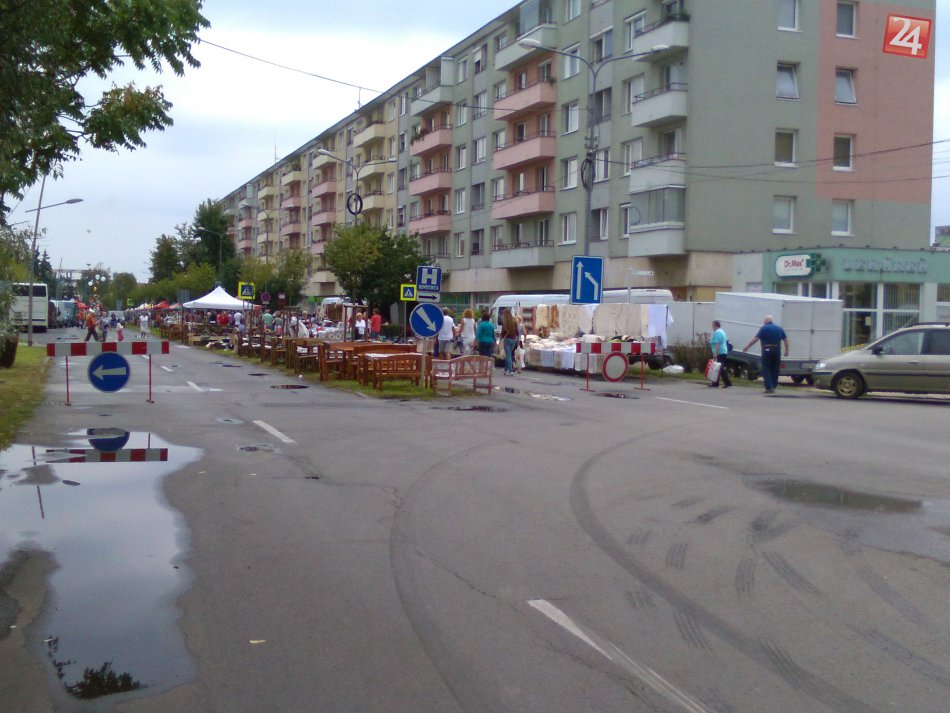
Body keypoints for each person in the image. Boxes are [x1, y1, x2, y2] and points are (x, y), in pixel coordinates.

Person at [743, 315, 789, 394]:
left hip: (767, 349)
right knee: (775, 368)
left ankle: (769, 387)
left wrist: (748, 346)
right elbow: (785, 339)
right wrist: (786, 350)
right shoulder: (779, 328)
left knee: (766, 368)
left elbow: (756, 339)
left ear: (765, 321)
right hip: (777, 350)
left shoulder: (764, 328)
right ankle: (773, 385)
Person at [708, 320, 732, 388]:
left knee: (719, 368)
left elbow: (717, 344)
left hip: (720, 352)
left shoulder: (718, 332)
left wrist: (715, 354)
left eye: (712, 325)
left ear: (715, 325)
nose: (712, 327)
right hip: (722, 351)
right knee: (717, 368)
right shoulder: (721, 331)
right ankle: (715, 383)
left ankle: (727, 382)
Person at [500, 309, 519, 376]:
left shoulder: (505, 322)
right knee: (509, 354)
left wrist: (500, 340)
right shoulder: (514, 321)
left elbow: (502, 333)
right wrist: (518, 341)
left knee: (508, 355)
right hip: (513, 340)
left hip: (507, 340)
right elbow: (517, 333)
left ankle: (511, 371)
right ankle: (505, 370)